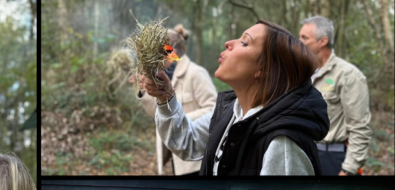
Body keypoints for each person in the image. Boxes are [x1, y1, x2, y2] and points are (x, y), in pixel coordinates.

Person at [140, 20, 328, 175]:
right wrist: (165, 98)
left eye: (244, 42)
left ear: (263, 70)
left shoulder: (283, 145)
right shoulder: (231, 111)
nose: (228, 42)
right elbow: (186, 141)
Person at [137, 25, 217, 176]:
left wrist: (179, 119)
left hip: (197, 161)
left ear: (170, 51)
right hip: (177, 156)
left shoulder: (196, 73)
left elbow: (213, 109)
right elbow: (156, 112)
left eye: (159, 51)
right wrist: (144, 89)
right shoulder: (164, 75)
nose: (155, 57)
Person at [299, 16, 372, 176]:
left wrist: (348, 170)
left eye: (304, 38)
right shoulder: (300, 73)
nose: (299, 42)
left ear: (322, 41)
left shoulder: (348, 75)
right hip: (303, 155)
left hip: (334, 159)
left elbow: (359, 127)